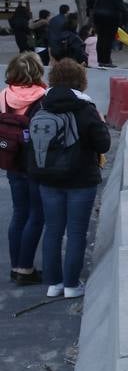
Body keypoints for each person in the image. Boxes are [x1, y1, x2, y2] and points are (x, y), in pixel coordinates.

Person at [31, 59, 111, 299]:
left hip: (47, 179)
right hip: (80, 180)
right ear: (81, 81)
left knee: (53, 230)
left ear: (53, 79)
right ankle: (71, 285)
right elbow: (103, 144)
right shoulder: (85, 108)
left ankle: (53, 284)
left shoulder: (40, 106)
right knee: (76, 232)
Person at [2, 53, 47, 286]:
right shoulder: (42, 98)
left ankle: (15, 266)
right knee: (36, 214)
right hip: (35, 164)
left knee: (19, 213)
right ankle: (26, 268)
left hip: (11, 160)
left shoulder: (3, 96)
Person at [86, 0, 128, 68]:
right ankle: (106, 61)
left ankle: (101, 60)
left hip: (97, 15)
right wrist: (127, 16)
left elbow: (89, 1)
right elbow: (119, 3)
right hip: (110, 17)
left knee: (101, 38)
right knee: (108, 39)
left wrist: (90, 12)